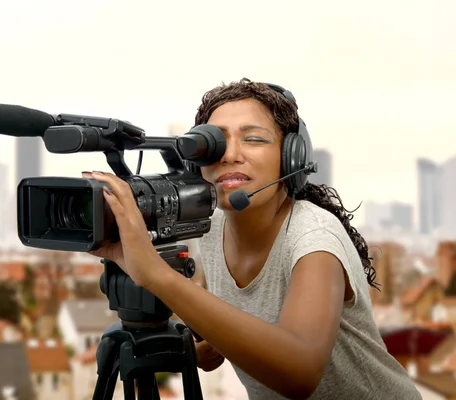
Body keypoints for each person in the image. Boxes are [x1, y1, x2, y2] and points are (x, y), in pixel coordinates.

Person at [84, 78, 422, 399]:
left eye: (254, 139)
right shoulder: (213, 228)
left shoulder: (313, 237)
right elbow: (233, 318)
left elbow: (300, 373)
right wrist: (210, 341)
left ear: (291, 157)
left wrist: (156, 275)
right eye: (214, 142)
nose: (230, 154)